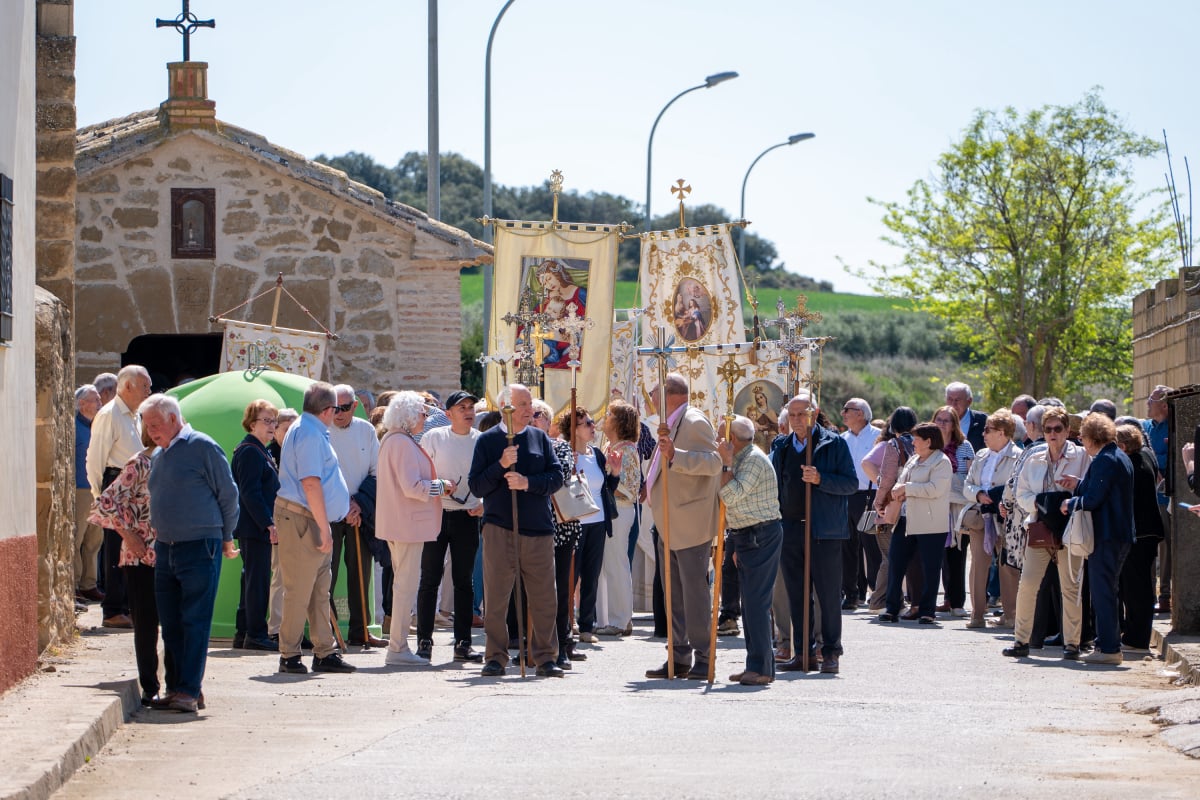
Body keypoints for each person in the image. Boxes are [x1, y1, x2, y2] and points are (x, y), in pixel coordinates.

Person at [141, 394, 240, 713]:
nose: (150, 431)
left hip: (200, 545)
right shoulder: (160, 454)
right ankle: (179, 688)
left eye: (155, 424)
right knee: (171, 623)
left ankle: (188, 690)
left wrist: (226, 537)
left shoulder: (202, 446)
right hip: (166, 547)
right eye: (146, 426)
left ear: (173, 418)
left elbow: (228, 494)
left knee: (194, 619)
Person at [468, 384, 565, 678]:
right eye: (522, 404)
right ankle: (495, 657)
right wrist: (501, 464)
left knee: (544, 597)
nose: (529, 410)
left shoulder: (539, 438)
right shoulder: (487, 441)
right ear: (504, 408)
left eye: (529, 404)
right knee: (497, 597)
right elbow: (477, 485)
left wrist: (527, 483)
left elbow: (556, 477)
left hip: (537, 528)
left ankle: (545, 657)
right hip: (499, 527)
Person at [643, 373, 722, 679]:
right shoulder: (671, 423)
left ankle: (704, 656)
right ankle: (677, 656)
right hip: (669, 522)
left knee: (694, 596)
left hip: (690, 524)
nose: (651, 399)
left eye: (654, 393)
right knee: (673, 596)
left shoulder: (693, 421)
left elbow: (714, 463)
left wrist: (677, 455)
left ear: (669, 395)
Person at [771, 392, 858, 673]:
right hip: (791, 529)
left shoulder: (833, 443)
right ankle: (802, 652)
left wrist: (821, 479)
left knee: (828, 595)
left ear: (815, 413)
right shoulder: (782, 445)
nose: (796, 420)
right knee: (797, 595)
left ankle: (831, 652)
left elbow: (851, 483)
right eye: (792, 415)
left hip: (824, 530)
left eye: (802, 414)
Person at [275, 381, 356, 675]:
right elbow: (310, 483)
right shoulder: (309, 433)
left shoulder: (308, 429)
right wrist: (324, 527)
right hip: (304, 518)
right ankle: (289, 654)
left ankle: (324, 651)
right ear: (327, 410)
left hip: (309, 518)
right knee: (299, 591)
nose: (338, 413)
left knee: (320, 590)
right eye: (337, 408)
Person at [88, 425, 172, 706]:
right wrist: (128, 534)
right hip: (140, 556)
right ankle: (150, 686)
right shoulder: (139, 463)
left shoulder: (177, 461)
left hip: (172, 553)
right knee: (146, 623)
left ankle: (179, 685)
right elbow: (105, 503)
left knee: (174, 622)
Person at [1002, 406, 1091, 660]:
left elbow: (1090, 489)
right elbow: (1021, 493)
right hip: (1040, 526)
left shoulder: (1081, 456)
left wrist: (1069, 496)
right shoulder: (1034, 458)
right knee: (1028, 584)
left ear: (1067, 430)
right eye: (1048, 429)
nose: (1053, 433)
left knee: (1070, 587)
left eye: (1058, 428)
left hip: (1070, 527)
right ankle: (1021, 640)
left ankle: (1072, 644)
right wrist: (1042, 504)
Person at [376, 391, 453, 667]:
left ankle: (398, 646)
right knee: (405, 587)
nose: (425, 418)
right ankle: (397, 647)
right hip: (406, 524)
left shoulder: (395, 440)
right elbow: (413, 487)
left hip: (402, 523)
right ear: (408, 416)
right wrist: (441, 486)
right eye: (422, 413)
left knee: (404, 585)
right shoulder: (400, 442)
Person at [414, 390, 485, 664]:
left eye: (471, 407)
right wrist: (439, 487)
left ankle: (463, 643)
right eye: (462, 407)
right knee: (430, 579)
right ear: (448, 414)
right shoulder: (434, 437)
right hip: (436, 514)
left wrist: (484, 503)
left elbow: (489, 479)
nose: (468, 412)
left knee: (463, 581)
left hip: (467, 515)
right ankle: (424, 642)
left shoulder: (480, 441)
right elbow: (421, 473)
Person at [717, 415, 783, 685]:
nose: (717, 441)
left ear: (732, 439)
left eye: (721, 435)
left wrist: (725, 463)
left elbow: (729, 495)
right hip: (747, 534)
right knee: (751, 605)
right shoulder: (743, 458)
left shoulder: (753, 459)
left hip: (760, 535)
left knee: (756, 604)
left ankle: (762, 669)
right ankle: (755, 664)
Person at [1064, 413, 1134, 665]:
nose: (1081, 441)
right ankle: (1107, 644)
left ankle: (1108, 648)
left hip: (1107, 535)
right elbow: (1100, 489)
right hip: (1116, 533)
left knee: (1103, 592)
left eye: (1082, 436)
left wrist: (1070, 503)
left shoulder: (1106, 459)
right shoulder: (1117, 456)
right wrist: (1080, 485)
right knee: (1107, 590)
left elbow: (1094, 499)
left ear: (1093, 437)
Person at [86, 365, 152, 629]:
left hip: (132, 486)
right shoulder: (109, 414)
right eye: (144, 386)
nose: (148, 391)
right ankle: (113, 610)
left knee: (129, 550)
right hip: (116, 483)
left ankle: (125, 607)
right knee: (115, 549)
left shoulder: (134, 415)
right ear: (127, 386)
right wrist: (100, 497)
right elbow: (95, 459)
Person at [327, 384, 385, 648]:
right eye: (333, 408)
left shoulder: (366, 430)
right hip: (330, 509)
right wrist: (343, 505)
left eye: (343, 408)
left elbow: (376, 471)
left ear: (354, 406)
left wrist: (358, 504)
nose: (337, 413)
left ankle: (360, 630)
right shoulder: (322, 430)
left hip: (358, 510)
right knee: (327, 573)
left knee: (360, 572)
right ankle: (328, 632)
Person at [877, 422, 953, 625]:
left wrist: (906, 489)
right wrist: (898, 490)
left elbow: (935, 489)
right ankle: (892, 608)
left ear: (928, 441)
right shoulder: (913, 459)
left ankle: (927, 611)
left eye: (917, 439)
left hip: (930, 523)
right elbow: (902, 483)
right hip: (905, 520)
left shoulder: (942, 462)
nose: (913, 442)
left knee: (930, 568)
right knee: (896, 563)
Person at [530, 398, 582, 669]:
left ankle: (561, 645)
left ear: (549, 421)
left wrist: (530, 479)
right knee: (531, 590)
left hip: (560, 526)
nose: (532, 418)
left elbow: (558, 477)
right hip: (531, 525)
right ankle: (532, 645)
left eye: (537, 414)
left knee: (560, 588)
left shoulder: (559, 446)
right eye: (528, 414)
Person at [560, 407, 619, 645]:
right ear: (573, 429)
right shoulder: (565, 452)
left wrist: (615, 473)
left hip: (597, 522)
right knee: (570, 576)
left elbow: (607, 489)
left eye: (592, 422)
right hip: (576, 522)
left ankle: (586, 625)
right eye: (587, 423)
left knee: (591, 575)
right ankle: (565, 624)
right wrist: (569, 467)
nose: (593, 426)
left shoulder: (596, 454)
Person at [961, 410, 1021, 628]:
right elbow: (967, 484)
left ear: (1002, 432)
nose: (983, 434)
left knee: (1007, 565)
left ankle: (1010, 615)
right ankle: (977, 615)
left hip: (1006, 517)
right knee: (978, 564)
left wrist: (997, 498)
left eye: (988, 430)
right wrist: (978, 494)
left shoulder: (1019, 455)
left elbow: (1017, 485)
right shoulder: (981, 455)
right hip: (980, 517)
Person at [231, 399, 281, 652]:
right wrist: (268, 523)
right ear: (252, 424)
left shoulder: (260, 449)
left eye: (274, 421)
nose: (272, 426)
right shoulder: (250, 451)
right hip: (255, 527)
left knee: (251, 580)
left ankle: (244, 632)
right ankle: (256, 634)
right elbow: (250, 493)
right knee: (257, 582)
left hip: (255, 527)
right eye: (266, 421)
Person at [1115, 423, 1164, 652]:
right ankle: (1136, 635)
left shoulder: (1131, 465)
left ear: (1123, 446)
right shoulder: (1146, 455)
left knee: (1136, 588)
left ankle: (1136, 639)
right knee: (1140, 586)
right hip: (1149, 531)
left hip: (1139, 533)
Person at [865, 407, 918, 612]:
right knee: (901, 557)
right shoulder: (919, 444)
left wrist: (878, 503)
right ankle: (897, 601)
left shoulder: (894, 444)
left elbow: (887, 479)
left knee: (889, 556)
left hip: (891, 507)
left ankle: (878, 600)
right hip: (913, 507)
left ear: (893, 426)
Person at [595, 401, 641, 638]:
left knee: (616, 564)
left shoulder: (627, 451)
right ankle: (609, 617)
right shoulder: (609, 446)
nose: (605, 417)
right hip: (608, 512)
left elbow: (630, 488)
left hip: (618, 511)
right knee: (607, 565)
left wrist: (603, 485)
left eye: (610, 414)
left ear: (620, 422)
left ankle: (620, 619)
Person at [931, 405, 976, 617]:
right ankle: (941, 599)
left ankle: (957, 602)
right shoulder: (928, 445)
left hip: (958, 506)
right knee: (936, 554)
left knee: (957, 554)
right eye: (939, 419)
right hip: (934, 505)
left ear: (954, 424)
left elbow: (971, 475)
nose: (942, 424)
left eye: (946, 420)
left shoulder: (964, 446)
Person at [840, 397, 878, 611]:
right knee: (847, 547)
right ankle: (851, 594)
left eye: (847, 409)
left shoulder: (877, 436)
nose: (843, 413)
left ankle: (877, 592)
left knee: (871, 547)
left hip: (869, 497)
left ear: (860, 414)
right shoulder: (841, 439)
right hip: (846, 496)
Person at [265, 408, 298, 642]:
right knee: (279, 575)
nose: (290, 434)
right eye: (286, 429)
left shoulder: (298, 452)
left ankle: (292, 628)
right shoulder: (270, 455)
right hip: (278, 520)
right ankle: (276, 628)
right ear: (275, 430)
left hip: (298, 520)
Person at [1141, 385, 1172, 614]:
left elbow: (1173, 456)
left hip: (1165, 496)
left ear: (1164, 405)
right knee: (1148, 545)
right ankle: (1149, 594)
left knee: (1167, 546)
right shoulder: (1146, 427)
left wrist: (1157, 463)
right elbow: (1142, 454)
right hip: (1147, 496)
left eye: (1151, 400)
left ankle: (1165, 596)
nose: (1147, 404)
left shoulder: (1173, 427)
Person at [74, 384, 105, 604]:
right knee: (77, 539)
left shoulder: (98, 427)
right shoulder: (74, 427)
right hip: (81, 490)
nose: (100, 404)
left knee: (94, 540)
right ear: (82, 403)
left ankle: (89, 584)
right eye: (96, 400)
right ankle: (75, 584)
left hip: (97, 490)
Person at [945, 381, 988, 451]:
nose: (953, 404)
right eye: (950, 399)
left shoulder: (984, 421)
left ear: (969, 401)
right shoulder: (939, 421)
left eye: (957, 400)